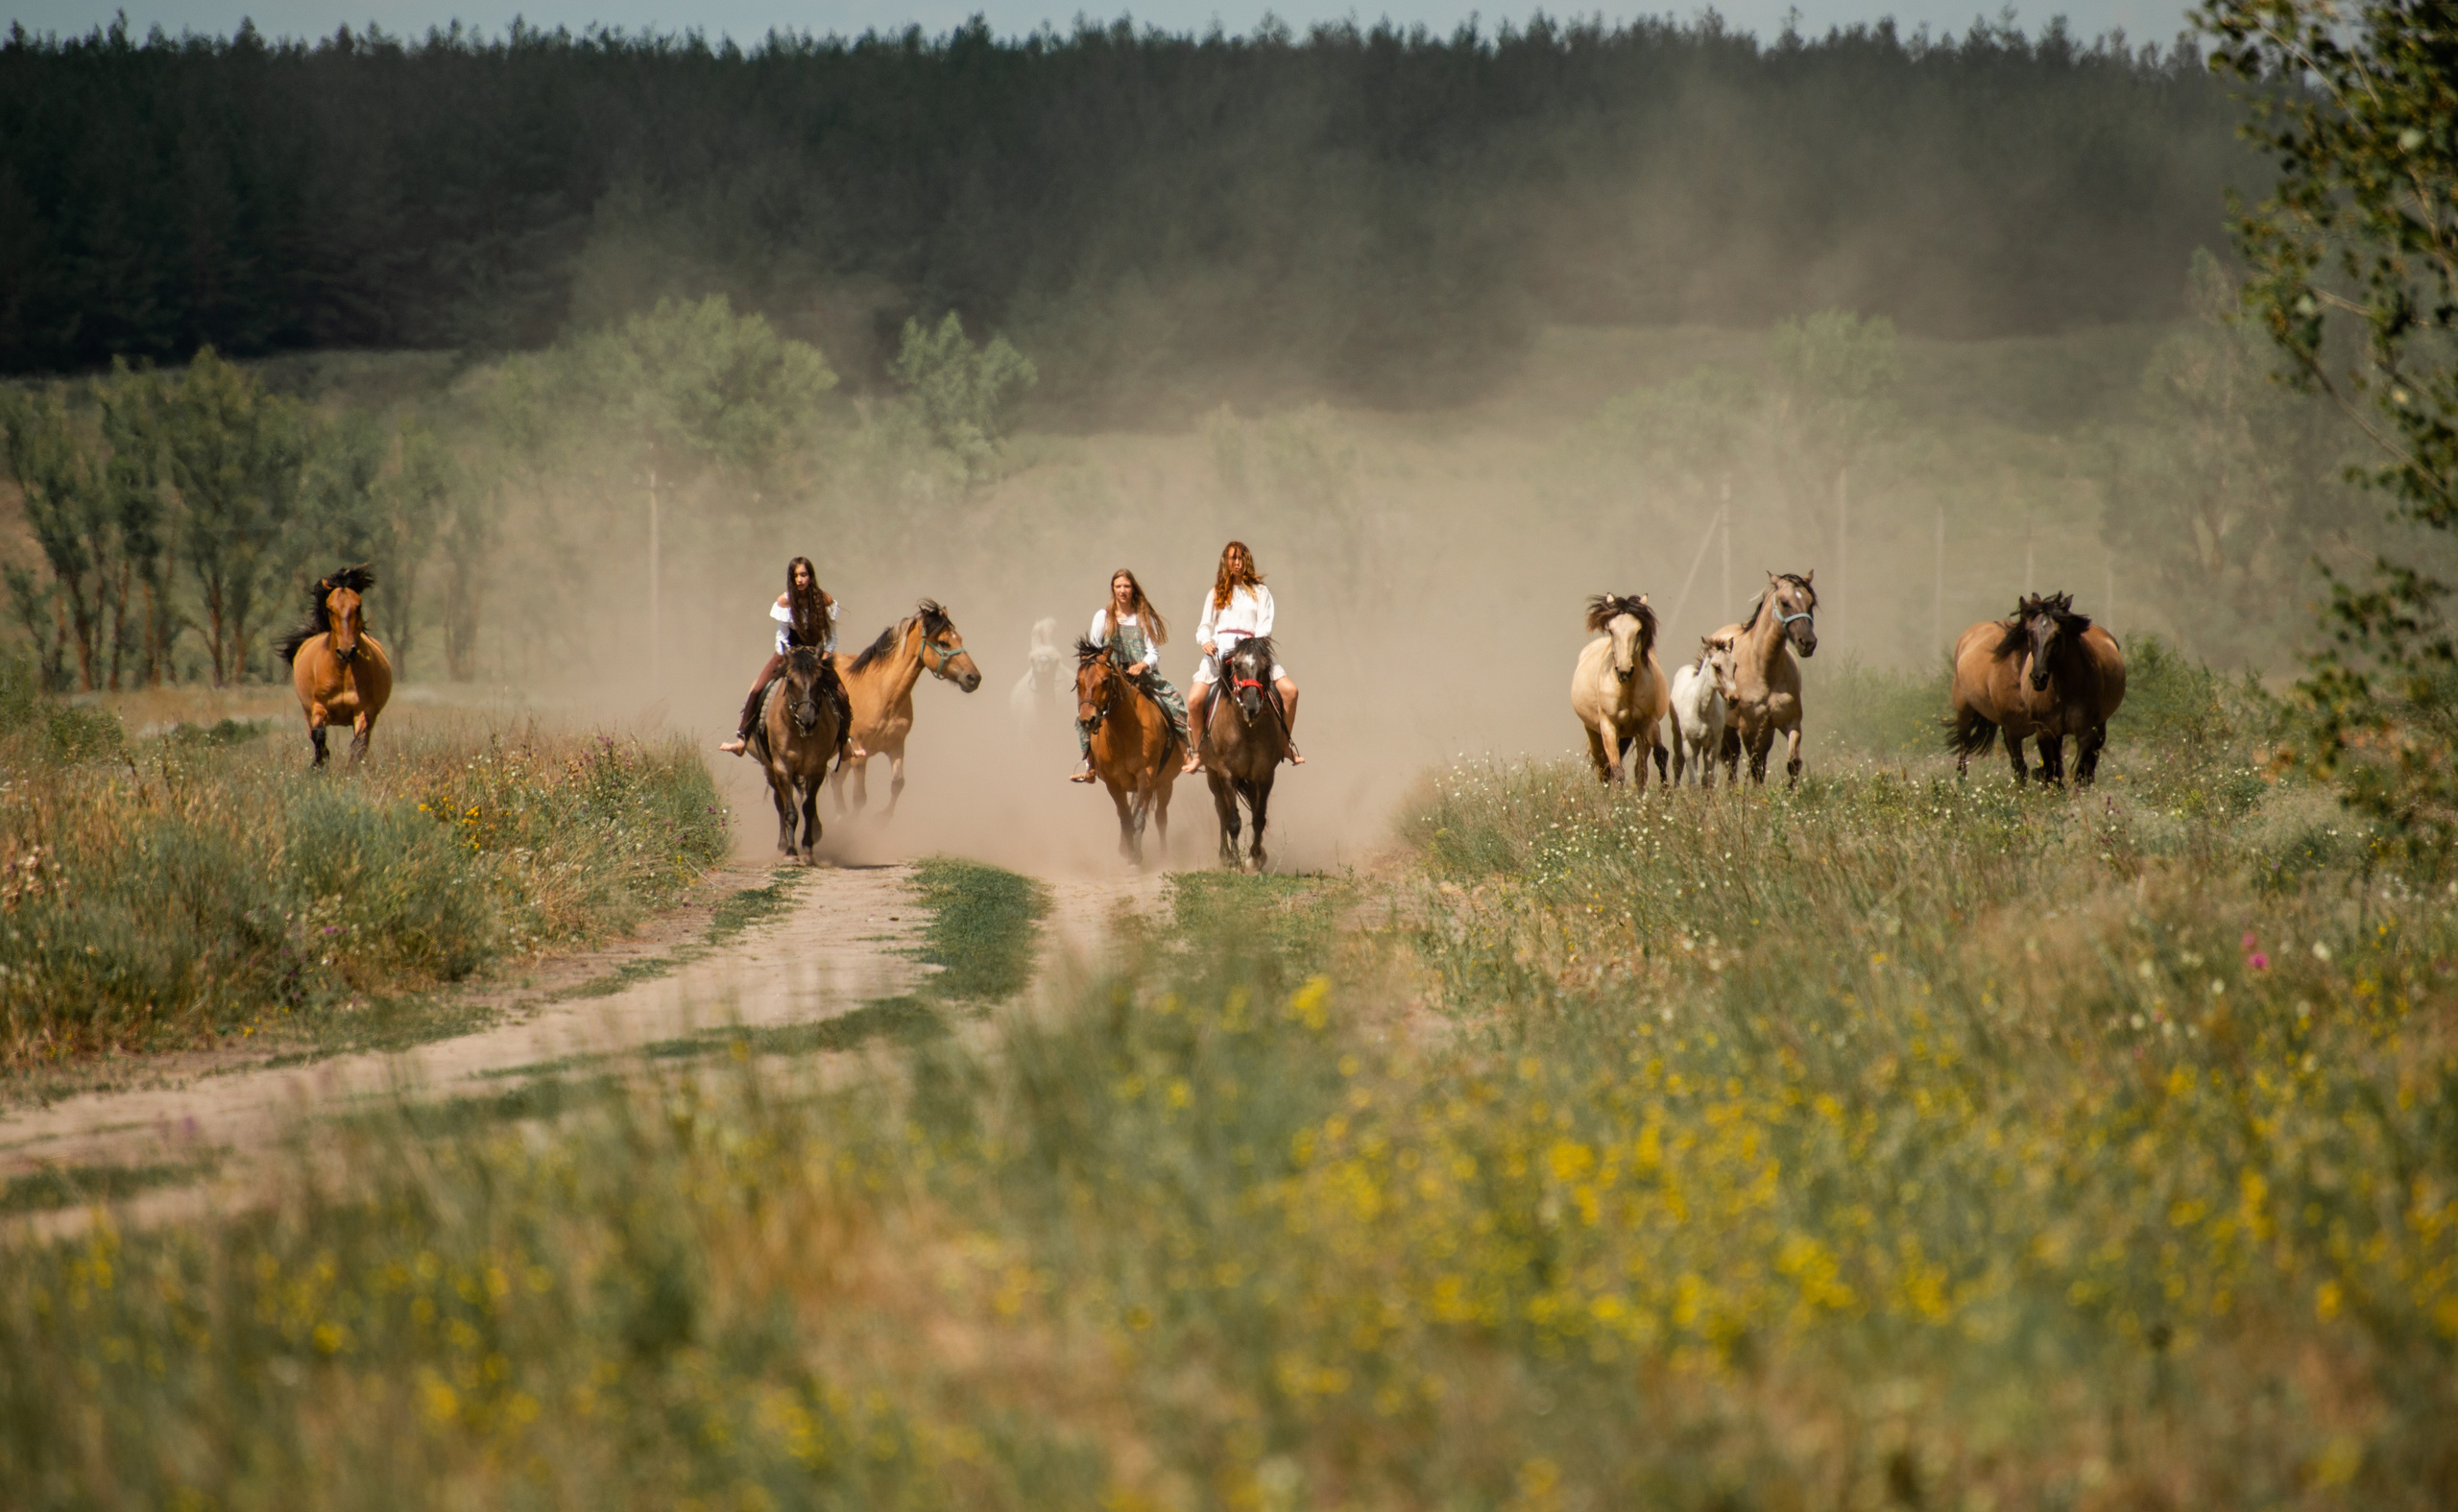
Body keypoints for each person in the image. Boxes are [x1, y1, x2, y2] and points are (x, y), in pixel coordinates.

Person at [718, 557, 859, 760]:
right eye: (795, 576)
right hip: (788, 654)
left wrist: (825, 655)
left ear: (811, 576)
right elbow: (781, 638)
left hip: (815, 656)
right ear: (790, 579)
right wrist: (789, 657)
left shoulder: (824, 601)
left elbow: (831, 637)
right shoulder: (784, 602)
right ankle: (742, 738)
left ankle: (845, 743)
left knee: (842, 695)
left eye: (803, 575)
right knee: (758, 689)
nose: (800, 580)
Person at [1182, 540, 1302, 774]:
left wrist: (1251, 649)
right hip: (1219, 650)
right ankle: (1199, 753)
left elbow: (1265, 625)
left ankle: (1284, 745)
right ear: (1225, 562)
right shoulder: (1216, 592)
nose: (1237, 563)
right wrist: (1205, 641)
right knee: (1195, 700)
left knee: (1290, 691)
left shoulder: (1260, 591)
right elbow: (1204, 625)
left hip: (1251, 650)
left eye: (1241, 558)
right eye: (1232, 559)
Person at [1072, 569, 1190, 781]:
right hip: (1110, 679)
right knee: (1084, 714)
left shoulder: (1143, 617)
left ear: (1133, 588)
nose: (1122, 591)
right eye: (1118, 586)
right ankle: (1090, 765)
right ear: (1113, 589)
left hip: (1140, 677)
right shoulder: (1103, 616)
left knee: (1175, 701)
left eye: (1126, 586)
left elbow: (1154, 652)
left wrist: (1143, 664)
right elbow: (1094, 651)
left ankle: (1185, 753)